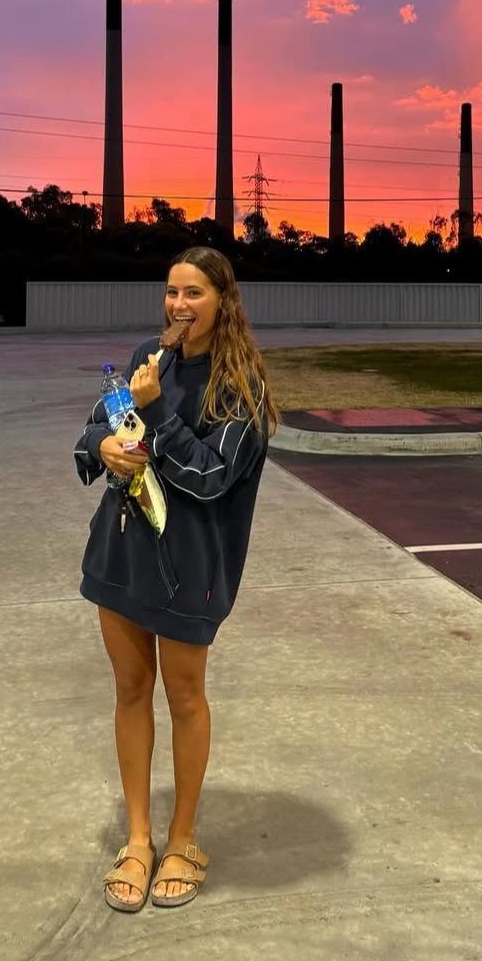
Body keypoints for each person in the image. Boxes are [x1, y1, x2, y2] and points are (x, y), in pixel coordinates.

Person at [73, 246, 279, 912]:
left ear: (223, 301)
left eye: (193, 293)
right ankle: (138, 839)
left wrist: (157, 412)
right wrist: (102, 445)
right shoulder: (148, 359)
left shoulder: (240, 384)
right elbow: (98, 424)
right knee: (130, 690)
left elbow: (210, 478)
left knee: (184, 697)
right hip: (121, 552)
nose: (178, 305)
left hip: (190, 566)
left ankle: (183, 838)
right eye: (171, 292)